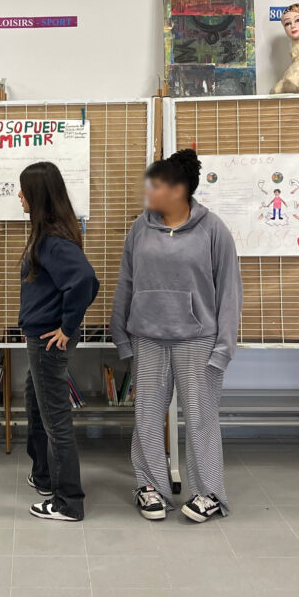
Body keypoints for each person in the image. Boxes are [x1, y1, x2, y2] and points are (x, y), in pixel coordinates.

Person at [110, 148, 242, 524]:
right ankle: (150, 486)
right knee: (147, 416)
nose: (150, 191)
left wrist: (224, 348)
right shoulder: (140, 228)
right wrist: (121, 336)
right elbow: (126, 282)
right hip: (147, 338)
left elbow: (230, 292)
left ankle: (209, 493)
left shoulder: (213, 230)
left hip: (197, 340)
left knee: (201, 418)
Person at [17, 161, 99, 522]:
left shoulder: (52, 240)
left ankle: (68, 501)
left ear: (36, 196)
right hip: (42, 337)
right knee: (36, 402)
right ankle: (45, 476)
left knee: (55, 419)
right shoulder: (46, 236)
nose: (19, 196)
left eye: (23, 190)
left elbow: (85, 281)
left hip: (48, 341)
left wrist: (67, 327)